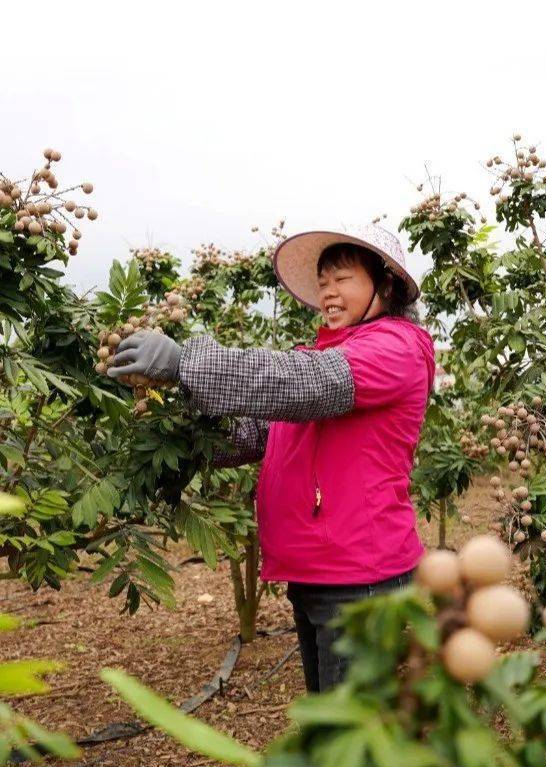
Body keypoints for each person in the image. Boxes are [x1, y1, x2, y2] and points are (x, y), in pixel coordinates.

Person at [107, 224, 435, 692]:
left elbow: (303, 382)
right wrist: (177, 437)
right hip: (319, 567)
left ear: (384, 285)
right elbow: (260, 432)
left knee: (348, 733)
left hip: (361, 571)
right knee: (330, 715)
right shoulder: (331, 352)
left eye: (342, 279)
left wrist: (186, 364)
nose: (328, 291)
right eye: (323, 281)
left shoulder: (395, 348)